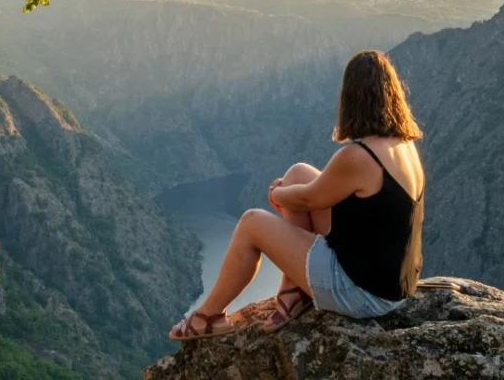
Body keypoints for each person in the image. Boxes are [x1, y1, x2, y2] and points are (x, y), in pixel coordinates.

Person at [169, 50, 426, 340]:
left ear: (352, 100)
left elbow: (307, 200)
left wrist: (279, 193)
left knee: (252, 222)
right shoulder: (404, 146)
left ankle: (207, 317)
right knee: (299, 172)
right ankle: (294, 293)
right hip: (393, 284)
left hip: (363, 295)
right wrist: (289, 189)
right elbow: (311, 192)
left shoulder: (358, 156)